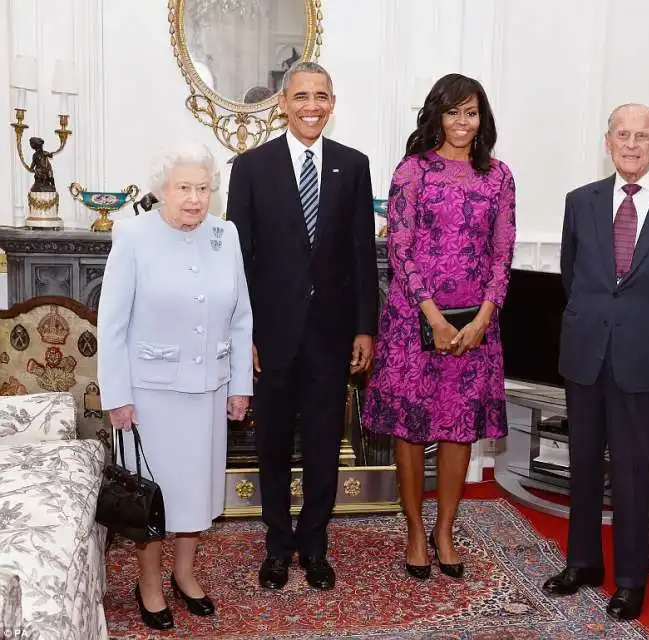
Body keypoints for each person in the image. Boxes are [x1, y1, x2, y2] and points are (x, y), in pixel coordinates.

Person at [543, 104, 649, 620]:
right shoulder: (581, 201)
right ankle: (583, 562)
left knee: (636, 471)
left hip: (643, 356)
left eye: (642, 136)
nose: (632, 145)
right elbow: (572, 275)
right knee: (584, 462)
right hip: (585, 352)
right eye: (622, 135)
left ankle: (632, 579)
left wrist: (643, 325)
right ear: (608, 141)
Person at [227, 60, 378, 591]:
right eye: (302, 97)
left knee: (321, 446)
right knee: (270, 445)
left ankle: (314, 545)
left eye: (322, 97)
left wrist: (365, 329)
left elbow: (362, 254)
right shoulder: (250, 168)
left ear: (332, 104)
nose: (312, 106)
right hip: (270, 337)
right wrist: (241, 335)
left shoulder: (353, 166)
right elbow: (238, 261)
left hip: (331, 336)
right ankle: (276, 547)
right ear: (283, 103)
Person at [362, 73, 516, 580]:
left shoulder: (499, 176)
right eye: (452, 112)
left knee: (458, 428)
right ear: (437, 115)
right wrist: (432, 315)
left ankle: (445, 528)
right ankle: (413, 529)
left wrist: (483, 317)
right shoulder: (412, 172)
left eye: (470, 112)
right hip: (413, 322)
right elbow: (400, 249)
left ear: (482, 118)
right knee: (410, 428)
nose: (461, 122)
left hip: (476, 326)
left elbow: (502, 252)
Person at [98, 142, 253, 630]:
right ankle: (148, 583)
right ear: (161, 189)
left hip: (208, 388)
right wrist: (117, 395)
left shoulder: (224, 236)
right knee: (155, 494)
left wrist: (239, 386)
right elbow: (112, 325)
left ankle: (185, 575)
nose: (194, 198)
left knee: (195, 493)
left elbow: (241, 318)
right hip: (150, 396)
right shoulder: (133, 237)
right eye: (183, 187)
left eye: (203, 188)